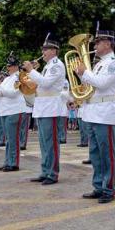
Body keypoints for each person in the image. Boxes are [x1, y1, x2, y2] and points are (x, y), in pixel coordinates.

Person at [76, 28, 115, 204]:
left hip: (104, 113)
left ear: (108, 43)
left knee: (106, 153)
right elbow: (89, 85)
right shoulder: (98, 64)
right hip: (92, 112)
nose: (94, 45)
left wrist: (84, 73)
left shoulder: (114, 63)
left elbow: (102, 84)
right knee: (95, 153)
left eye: (98, 42)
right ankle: (98, 186)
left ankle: (108, 188)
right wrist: (81, 75)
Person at [24, 34, 66, 185]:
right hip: (42, 106)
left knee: (51, 143)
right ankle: (45, 170)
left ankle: (52, 173)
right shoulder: (48, 66)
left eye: (46, 49)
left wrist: (31, 71)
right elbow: (39, 85)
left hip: (51, 107)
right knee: (43, 143)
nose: (44, 52)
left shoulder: (57, 65)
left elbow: (46, 84)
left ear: (54, 50)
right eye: (43, 49)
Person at [0, 54, 24, 172]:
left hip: (14, 110)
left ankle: (14, 162)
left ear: (16, 66)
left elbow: (13, 93)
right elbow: (0, 94)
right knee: (8, 138)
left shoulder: (19, 77)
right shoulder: (7, 78)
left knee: (12, 138)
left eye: (10, 66)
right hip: (5, 110)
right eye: (8, 66)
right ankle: (7, 161)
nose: (8, 68)